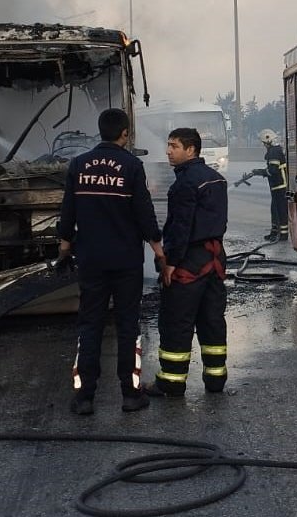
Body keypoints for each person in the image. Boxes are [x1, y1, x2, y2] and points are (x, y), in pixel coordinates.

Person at [58, 108, 164, 415]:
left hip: (90, 259)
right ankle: (131, 395)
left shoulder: (78, 165)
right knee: (128, 325)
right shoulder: (131, 166)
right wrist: (158, 249)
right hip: (126, 261)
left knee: (89, 325)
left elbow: (68, 212)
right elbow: (144, 213)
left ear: (100, 131)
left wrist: (65, 246)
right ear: (125, 134)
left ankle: (84, 397)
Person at [145, 127, 229, 398]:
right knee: (212, 319)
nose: (168, 151)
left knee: (176, 321)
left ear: (191, 149)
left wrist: (170, 263)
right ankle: (216, 380)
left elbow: (179, 228)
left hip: (189, 262)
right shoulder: (216, 179)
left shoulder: (184, 184)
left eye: (174, 146)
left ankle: (171, 382)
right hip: (215, 259)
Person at [247, 128, 288, 242]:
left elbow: (273, 170)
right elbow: (271, 169)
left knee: (280, 210)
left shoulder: (274, 152)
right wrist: (258, 171)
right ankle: (274, 232)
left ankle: (283, 235)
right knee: (274, 209)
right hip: (276, 186)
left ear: (268, 141)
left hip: (280, 185)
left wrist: (259, 172)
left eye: (264, 143)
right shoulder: (273, 151)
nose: (264, 145)